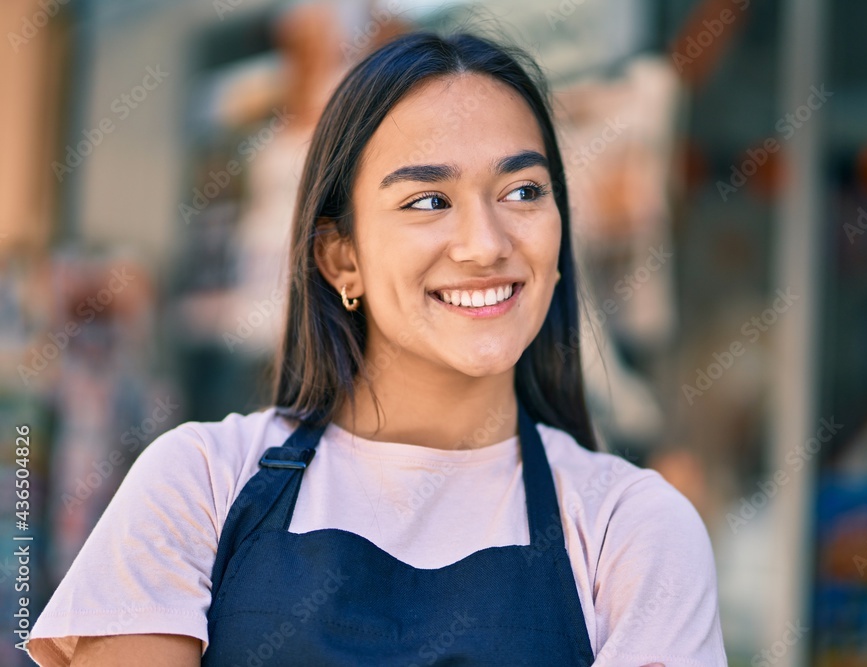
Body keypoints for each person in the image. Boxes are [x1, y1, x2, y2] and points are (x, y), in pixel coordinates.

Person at [26, 32, 727, 666]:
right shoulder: (201, 485)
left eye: (521, 190)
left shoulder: (630, 530)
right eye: (428, 200)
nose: (486, 243)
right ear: (340, 259)